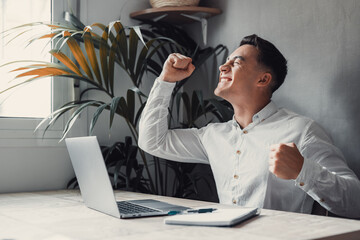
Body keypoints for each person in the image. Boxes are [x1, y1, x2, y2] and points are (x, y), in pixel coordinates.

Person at [138, 34, 360, 218]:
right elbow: (152, 141)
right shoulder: (213, 136)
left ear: (263, 80)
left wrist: (303, 170)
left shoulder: (302, 131)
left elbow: (356, 201)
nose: (223, 67)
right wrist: (166, 81)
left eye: (235, 62)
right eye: (226, 61)